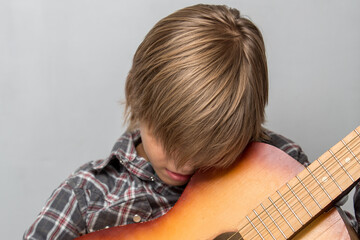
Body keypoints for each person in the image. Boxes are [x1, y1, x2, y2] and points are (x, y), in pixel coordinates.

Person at [23, 4, 357, 239]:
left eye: (210, 148)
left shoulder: (280, 171)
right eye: (169, 140)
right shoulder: (89, 196)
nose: (183, 162)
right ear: (139, 100)